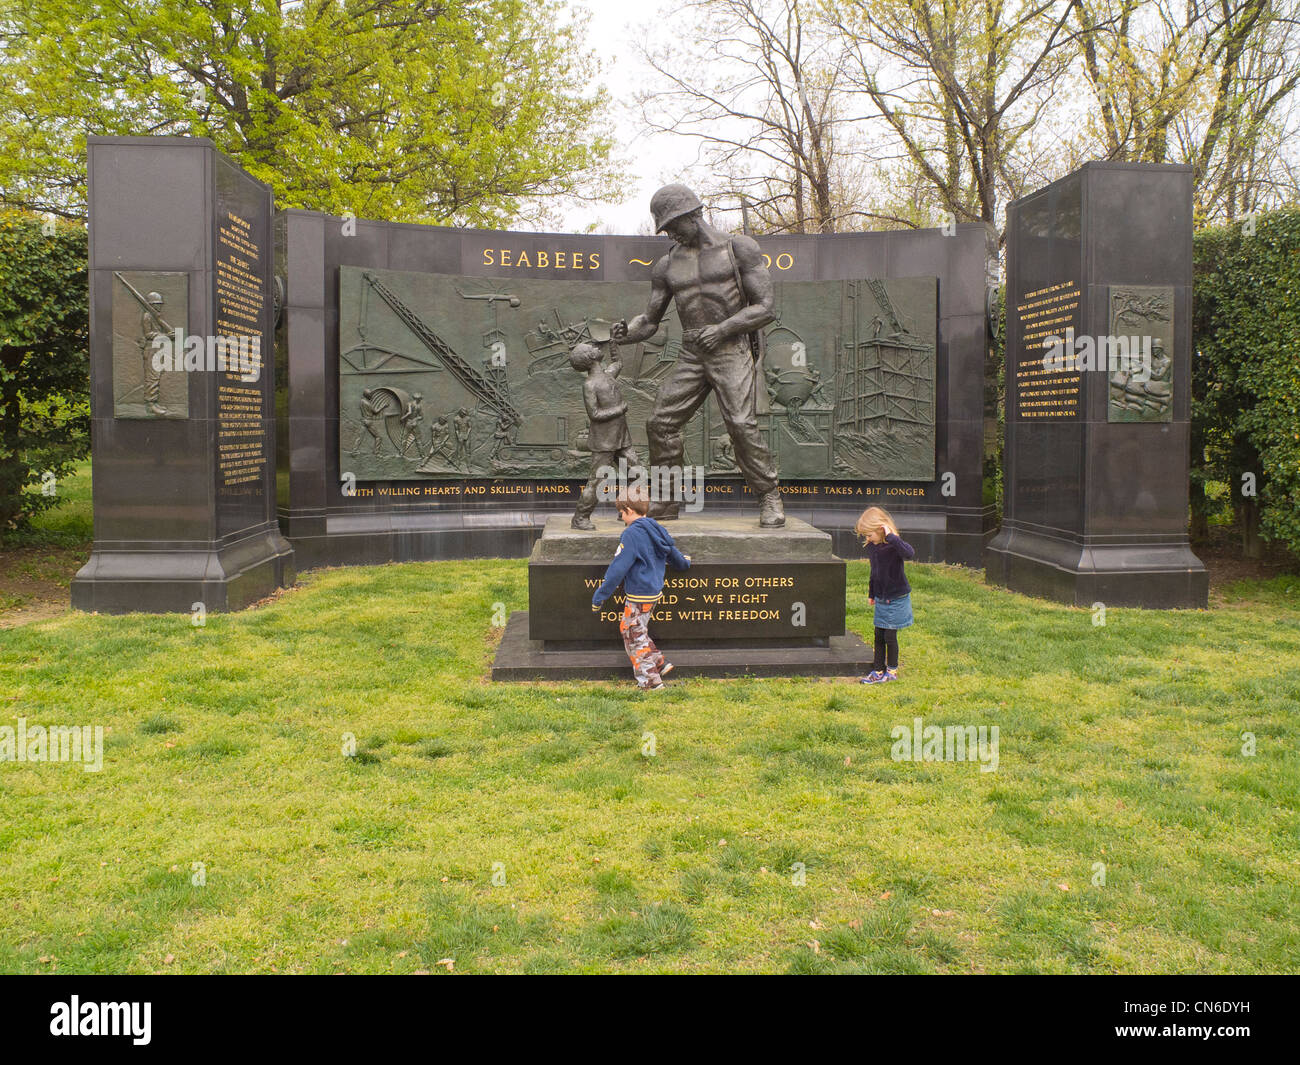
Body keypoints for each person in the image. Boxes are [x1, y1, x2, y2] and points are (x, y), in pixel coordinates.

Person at [611, 183, 785, 527]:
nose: (670, 234)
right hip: (692, 353)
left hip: (729, 348)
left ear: (692, 214)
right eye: (666, 229)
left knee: (739, 423)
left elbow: (765, 308)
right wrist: (627, 333)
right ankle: (666, 499)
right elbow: (649, 320)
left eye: (673, 225)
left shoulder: (739, 249)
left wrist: (723, 329)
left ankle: (769, 495)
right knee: (660, 423)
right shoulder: (666, 265)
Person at [591, 487, 691, 691]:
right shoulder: (656, 528)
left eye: (621, 513)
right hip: (653, 593)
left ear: (628, 509)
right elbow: (673, 552)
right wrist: (684, 563)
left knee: (632, 634)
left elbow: (617, 569)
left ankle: (650, 682)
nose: (621, 517)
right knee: (637, 630)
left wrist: (600, 596)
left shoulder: (631, 534)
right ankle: (659, 662)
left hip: (638, 594)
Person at [570, 341, 641, 530]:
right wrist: (620, 409)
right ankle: (580, 517)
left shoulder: (608, 375)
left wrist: (613, 341)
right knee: (597, 481)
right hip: (604, 441)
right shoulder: (590, 384)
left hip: (621, 437)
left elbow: (618, 362)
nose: (596, 348)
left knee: (636, 472)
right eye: (592, 348)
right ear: (590, 357)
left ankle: (627, 510)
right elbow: (594, 414)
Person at [855, 505, 915, 684]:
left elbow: (909, 553)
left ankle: (892, 670)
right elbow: (875, 573)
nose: (867, 538)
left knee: (890, 635)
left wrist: (892, 537)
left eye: (869, 534)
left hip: (896, 599)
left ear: (881, 529)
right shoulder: (872, 548)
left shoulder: (894, 546)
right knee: (878, 635)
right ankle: (878, 669)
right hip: (881, 598)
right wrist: (872, 593)